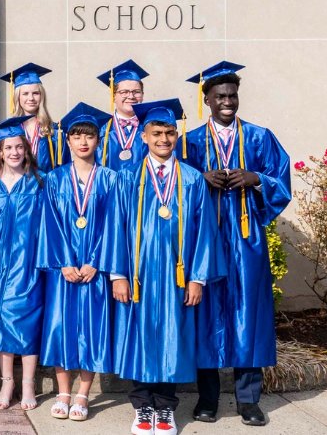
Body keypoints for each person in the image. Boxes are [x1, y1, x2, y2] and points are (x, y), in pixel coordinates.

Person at [180, 62, 291, 427]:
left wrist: (255, 177)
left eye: (232, 95)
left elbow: (282, 180)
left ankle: (248, 401)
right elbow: (174, 186)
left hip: (246, 239)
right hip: (207, 239)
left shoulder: (260, 137)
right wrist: (200, 178)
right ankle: (208, 399)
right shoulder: (191, 142)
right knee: (207, 313)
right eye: (220, 96)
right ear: (207, 100)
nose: (227, 101)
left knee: (249, 315)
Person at [109, 99, 222, 435]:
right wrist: (118, 275)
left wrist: (198, 278)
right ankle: (143, 407)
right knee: (140, 338)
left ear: (177, 136)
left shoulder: (191, 178)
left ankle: (165, 409)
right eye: (157, 132)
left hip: (177, 276)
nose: (163, 139)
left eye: (169, 133)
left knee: (173, 338)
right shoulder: (127, 177)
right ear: (144, 136)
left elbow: (204, 232)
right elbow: (116, 226)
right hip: (139, 276)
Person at [37, 102, 124, 422]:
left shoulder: (111, 179)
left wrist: (96, 263)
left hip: (94, 271)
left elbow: (115, 225)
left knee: (92, 329)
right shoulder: (55, 178)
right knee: (61, 328)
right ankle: (62, 391)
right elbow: (49, 222)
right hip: (64, 270)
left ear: (98, 140)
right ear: (68, 141)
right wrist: (61, 263)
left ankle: (84, 393)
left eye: (89, 136)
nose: (83, 141)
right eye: (77, 136)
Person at [0, 115, 48, 412]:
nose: (14, 152)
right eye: (8, 147)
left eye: (19, 147)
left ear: (26, 149)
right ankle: (7, 381)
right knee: (1, 319)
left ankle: (28, 383)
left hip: (30, 260)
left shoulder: (39, 181)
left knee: (29, 318)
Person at [0, 63, 67, 172]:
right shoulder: (7, 130)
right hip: (18, 188)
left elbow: (64, 168)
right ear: (17, 97)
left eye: (36, 93)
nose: (31, 98)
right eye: (25, 94)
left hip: (47, 187)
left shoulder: (54, 131)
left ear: (42, 96)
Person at [95, 60, 150, 170]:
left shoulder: (151, 129)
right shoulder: (100, 130)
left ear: (143, 95)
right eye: (124, 92)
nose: (131, 96)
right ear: (113, 96)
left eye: (136, 92)